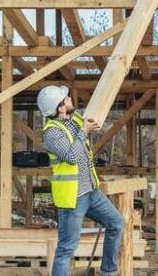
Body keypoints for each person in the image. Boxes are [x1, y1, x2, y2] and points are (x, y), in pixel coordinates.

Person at [38, 85, 124, 276]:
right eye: (66, 98)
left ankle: (108, 272)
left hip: (91, 192)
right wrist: (84, 130)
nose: (70, 99)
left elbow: (92, 115)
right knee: (67, 248)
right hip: (73, 198)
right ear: (60, 108)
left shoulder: (74, 120)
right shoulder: (51, 133)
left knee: (116, 223)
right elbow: (71, 156)